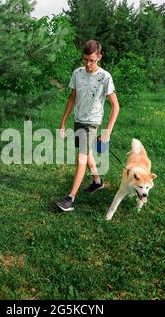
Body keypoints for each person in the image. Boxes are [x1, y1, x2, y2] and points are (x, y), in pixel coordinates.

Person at [57, 40, 120, 212]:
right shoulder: (77, 73)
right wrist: (63, 121)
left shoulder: (105, 77)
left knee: (81, 158)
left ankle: (70, 198)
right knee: (87, 153)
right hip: (79, 119)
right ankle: (97, 182)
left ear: (99, 57)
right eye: (85, 59)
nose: (88, 64)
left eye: (92, 60)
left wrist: (107, 131)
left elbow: (116, 106)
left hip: (92, 122)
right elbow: (72, 98)